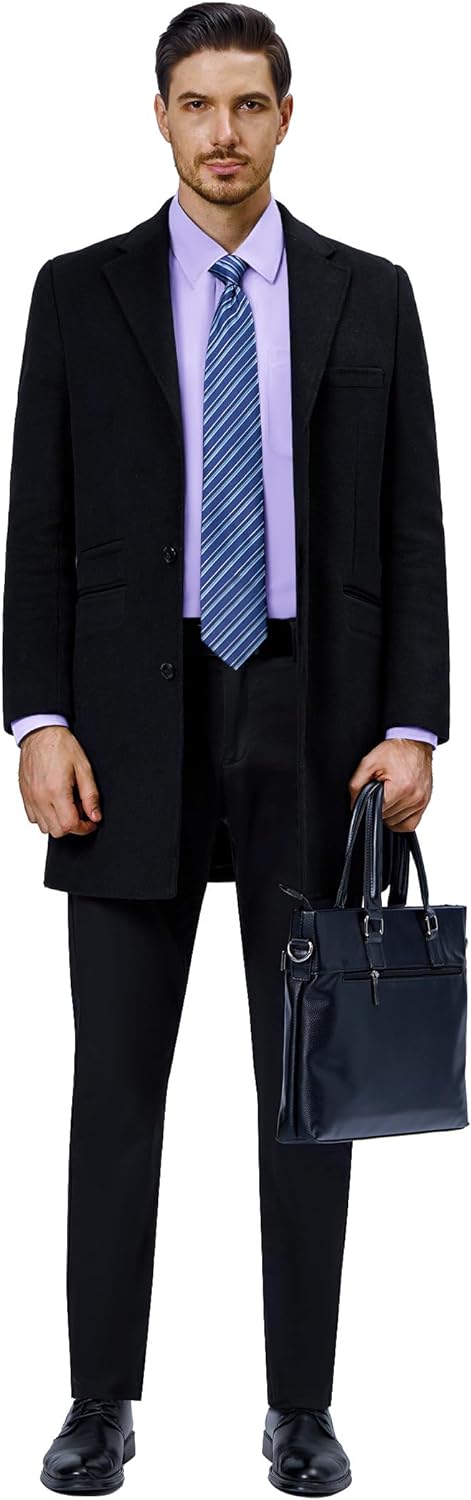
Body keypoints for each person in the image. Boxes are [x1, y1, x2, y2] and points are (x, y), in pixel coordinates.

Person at [2, 4, 449, 1495]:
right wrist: (36, 717)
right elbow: (40, 527)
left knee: (304, 1088)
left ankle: (301, 1408)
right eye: (196, 104)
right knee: (116, 1084)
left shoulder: (372, 295)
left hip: (316, 723)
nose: (223, 133)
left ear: (286, 116)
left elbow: (412, 526)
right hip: (127, 724)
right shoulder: (77, 293)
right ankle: (98, 1402)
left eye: (248, 104)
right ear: (159, 116)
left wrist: (412, 725)